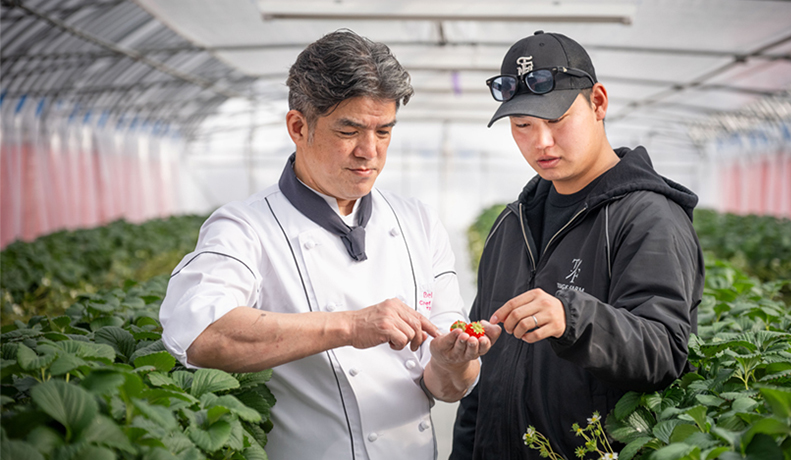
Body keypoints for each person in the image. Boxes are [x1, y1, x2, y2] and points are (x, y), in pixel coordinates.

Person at [159, 29, 499, 460]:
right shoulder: (245, 227)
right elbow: (199, 334)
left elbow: (446, 387)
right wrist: (350, 326)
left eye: (384, 132)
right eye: (349, 130)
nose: (369, 152)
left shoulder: (418, 224)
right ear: (299, 127)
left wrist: (454, 360)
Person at [450, 30, 704, 459]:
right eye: (523, 126)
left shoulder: (648, 219)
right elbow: (485, 373)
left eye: (557, 120)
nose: (541, 142)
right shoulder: (512, 225)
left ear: (598, 103)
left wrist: (572, 318)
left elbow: (666, 353)